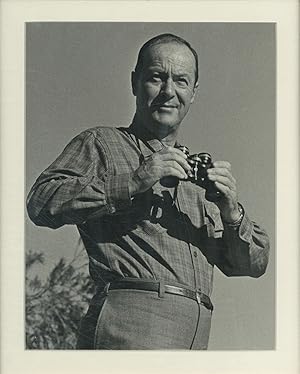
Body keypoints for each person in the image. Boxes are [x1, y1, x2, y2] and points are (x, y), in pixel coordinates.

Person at [27, 33, 270, 350]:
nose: (169, 91)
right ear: (134, 82)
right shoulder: (101, 142)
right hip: (131, 327)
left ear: (193, 92)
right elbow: (41, 201)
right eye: (157, 77)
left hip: (198, 340)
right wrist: (132, 182)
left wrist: (231, 211)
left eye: (181, 81)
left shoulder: (199, 178)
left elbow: (252, 264)